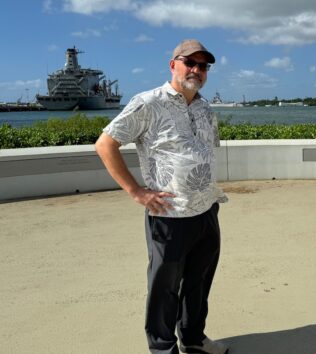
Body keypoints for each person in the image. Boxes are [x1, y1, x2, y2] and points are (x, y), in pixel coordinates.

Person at [95, 39, 229, 354]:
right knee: (164, 288)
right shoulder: (148, 102)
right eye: (190, 63)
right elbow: (105, 144)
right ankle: (162, 349)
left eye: (203, 66)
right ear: (173, 65)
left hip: (206, 209)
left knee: (198, 283)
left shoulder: (205, 107)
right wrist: (136, 191)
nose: (197, 70)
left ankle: (194, 339)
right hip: (168, 215)